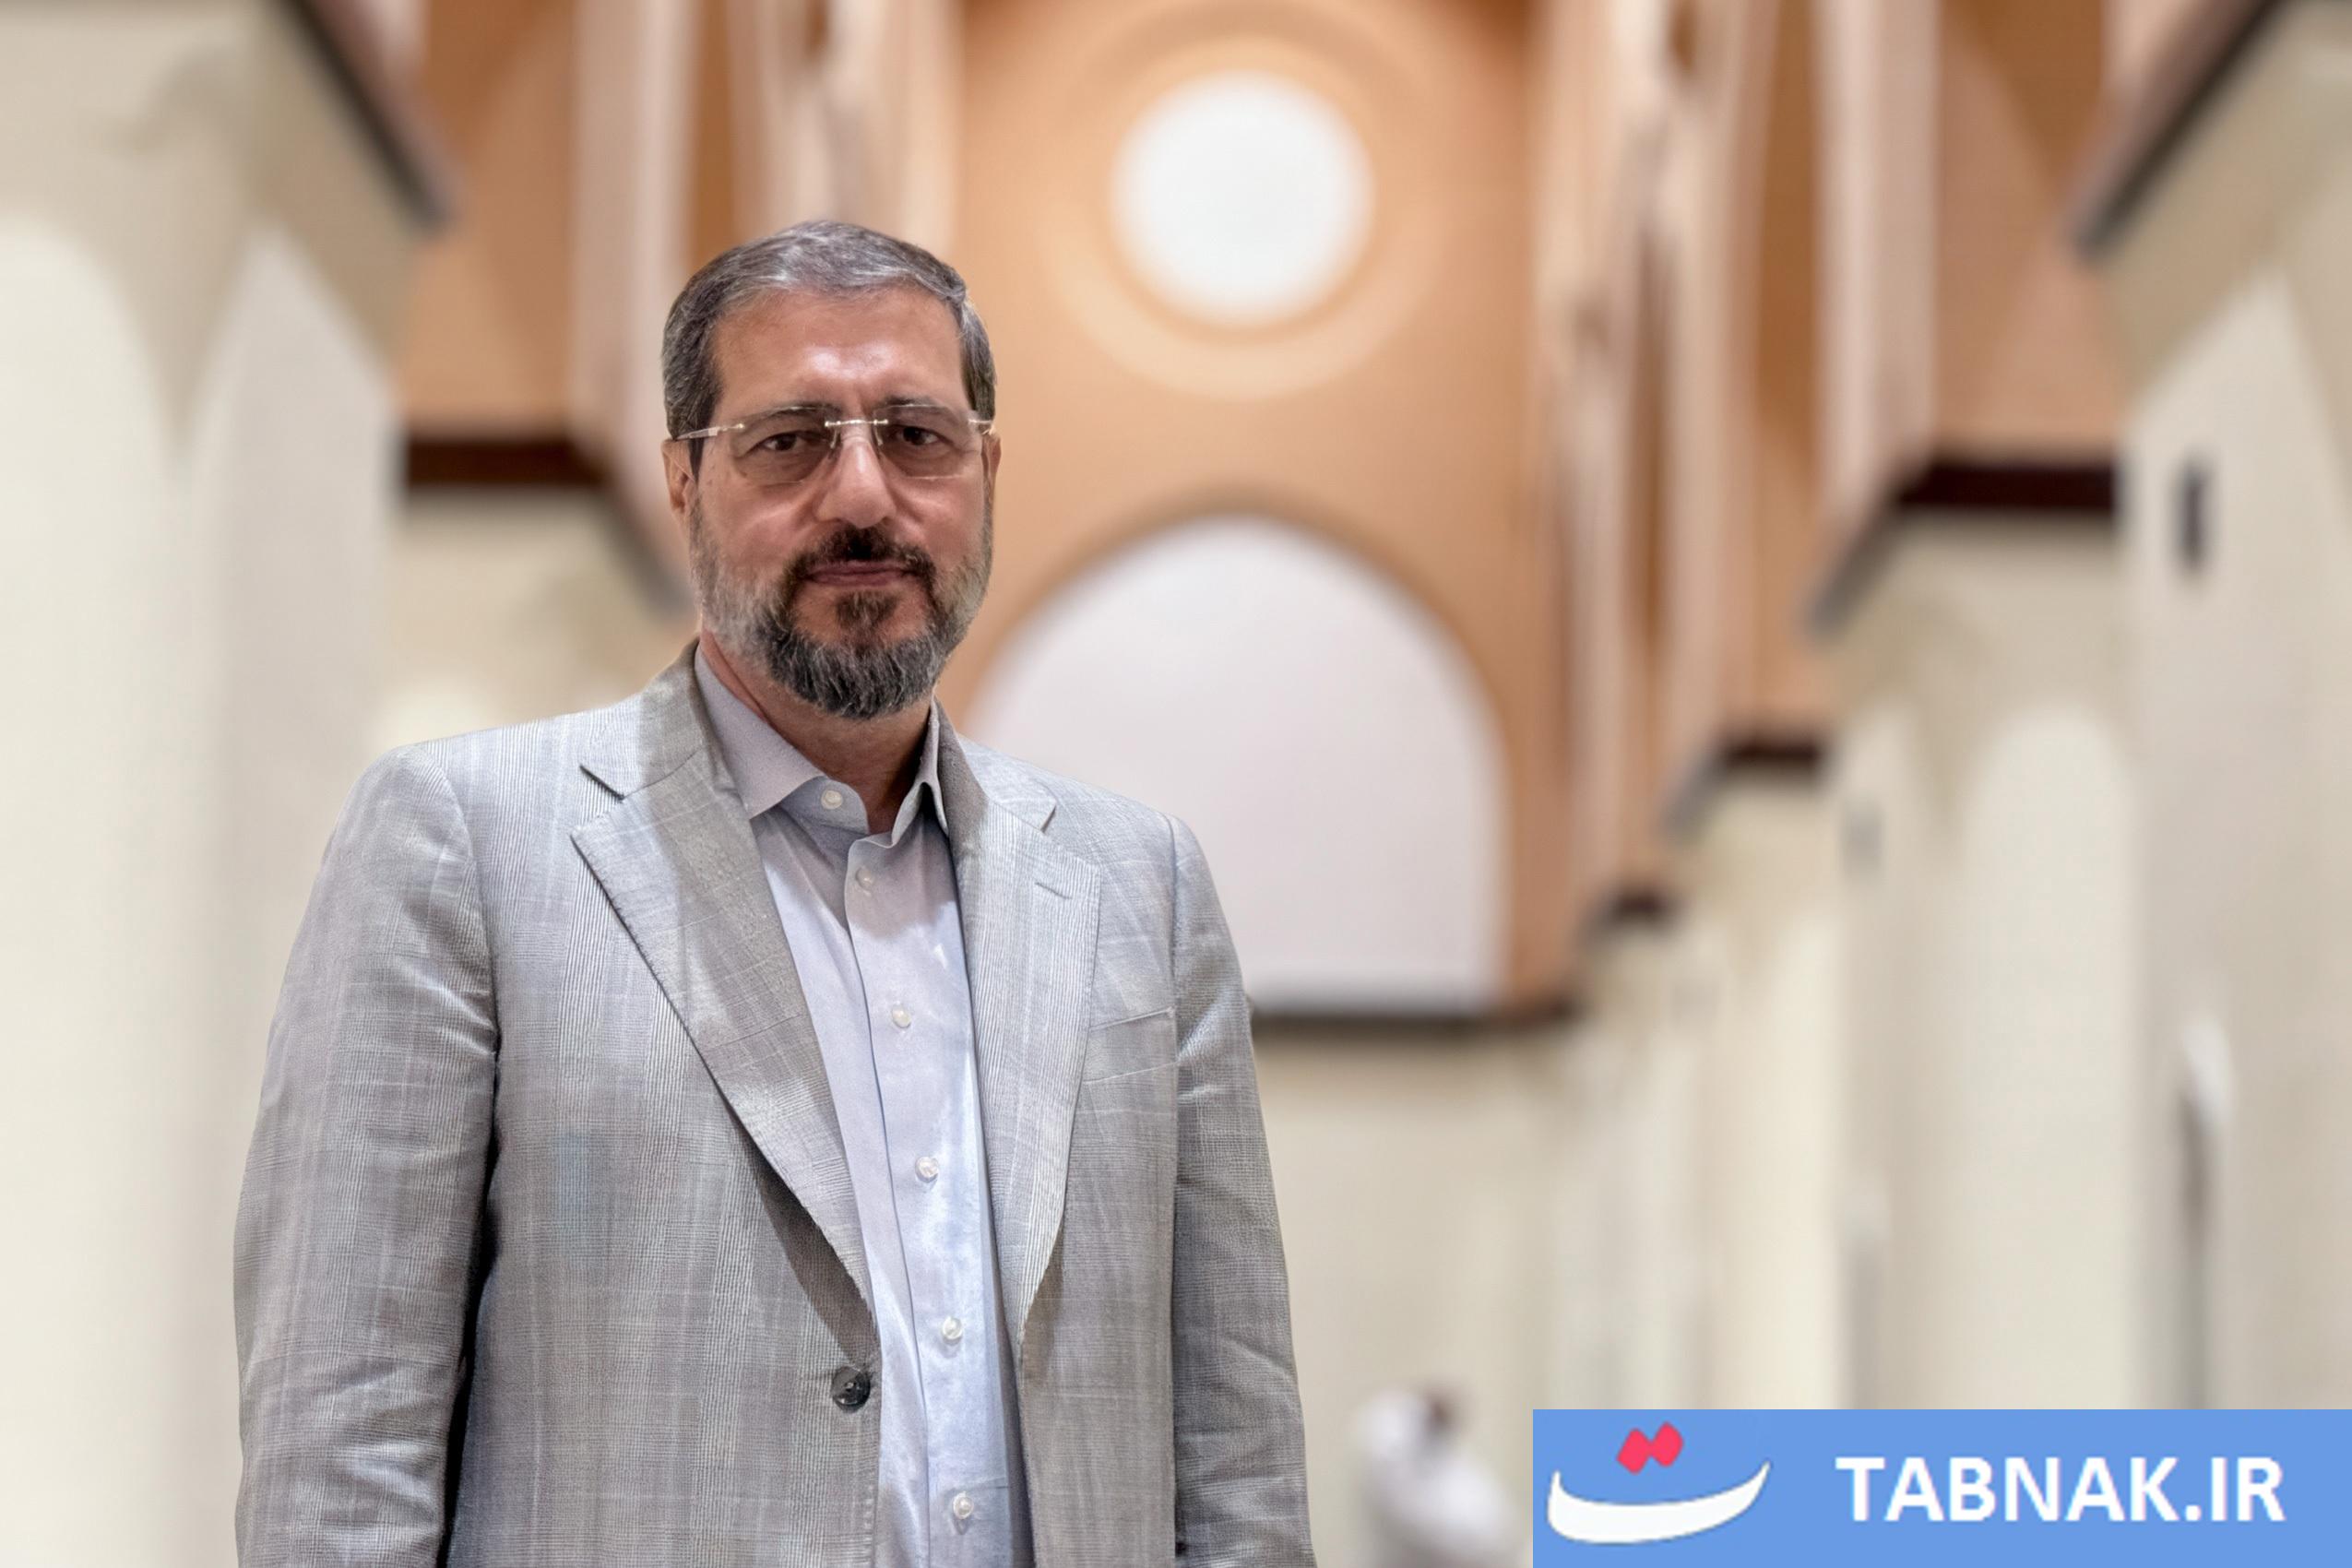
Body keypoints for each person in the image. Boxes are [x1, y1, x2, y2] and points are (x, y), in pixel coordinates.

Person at [232, 219, 1313, 1567]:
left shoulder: (1139, 886)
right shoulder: (466, 844)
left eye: (915, 436)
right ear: (683, 480)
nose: (863, 495)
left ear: (985, 471)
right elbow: (342, 1451)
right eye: (790, 440)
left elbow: (1237, 1457)